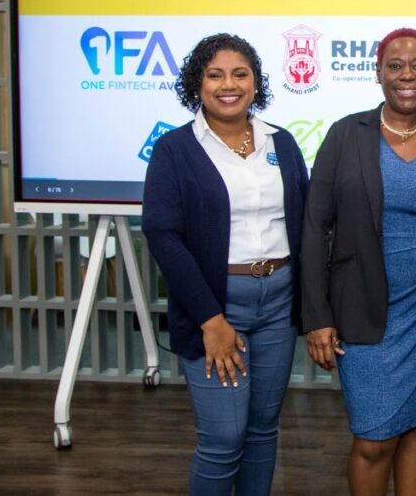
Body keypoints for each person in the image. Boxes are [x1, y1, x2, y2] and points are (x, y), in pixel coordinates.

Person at [300, 27, 416, 496]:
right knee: (373, 441)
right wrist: (316, 317)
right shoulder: (346, 135)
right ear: (378, 73)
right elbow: (315, 228)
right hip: (361, 316)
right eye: (395, 66)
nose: (407, 75)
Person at [142, 33, 308, 495]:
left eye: (240, 74)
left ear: (256, 83)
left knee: (261, 430)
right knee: (223, 437)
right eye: (214, 75)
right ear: (197, 85)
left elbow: (305, 221)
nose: (228, 84)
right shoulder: (175, 150)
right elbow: (163, 235)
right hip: (215, 305)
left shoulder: (283, 142)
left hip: (279, 301)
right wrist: (210, 319)